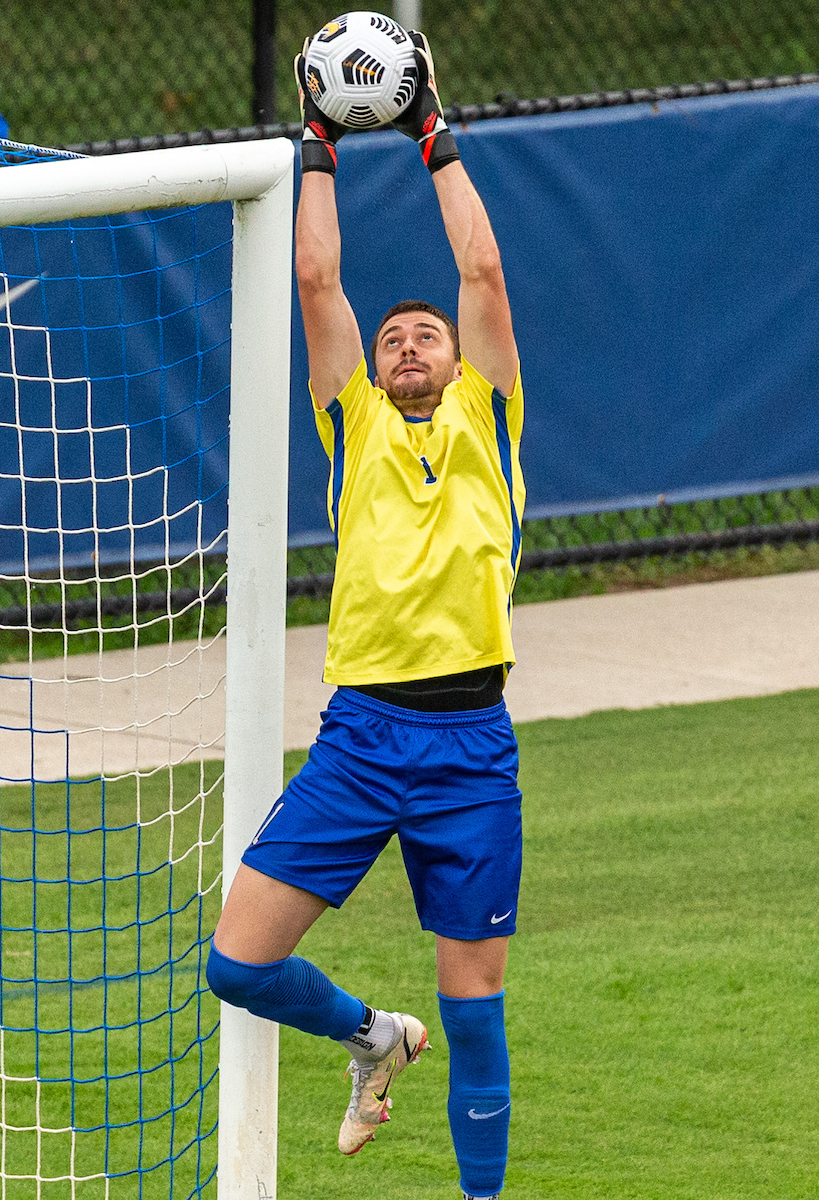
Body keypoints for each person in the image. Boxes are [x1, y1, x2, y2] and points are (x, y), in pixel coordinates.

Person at [206, 29, 525, 1200]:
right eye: (392, 339)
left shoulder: (492, 418)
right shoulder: (354, 425)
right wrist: (322, 142)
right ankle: (365, 1035)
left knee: (477, 1007)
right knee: (236, 964)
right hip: (361, 737)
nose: (405, 343)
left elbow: (482, 275)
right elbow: (316, 284)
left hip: (470, 748)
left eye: (423, 333)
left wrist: (433, 131)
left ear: (461, 357)